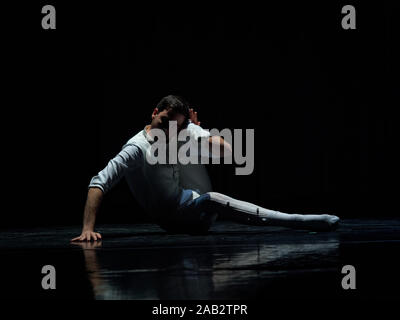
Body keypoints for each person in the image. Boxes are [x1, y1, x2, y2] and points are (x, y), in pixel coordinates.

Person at [71, 95, 339, 241]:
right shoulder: (136, 148)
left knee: (200, 150)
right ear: (154, 113)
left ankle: (195, 137)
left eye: (176, 125)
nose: (168, 129)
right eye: (164, 121)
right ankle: (296, 220)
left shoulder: (176, 136)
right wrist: (87, 229)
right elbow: (98, 182)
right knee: (211, 198)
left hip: (193, 209)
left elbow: (230, 152)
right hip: (179, 218)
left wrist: (195, 130)